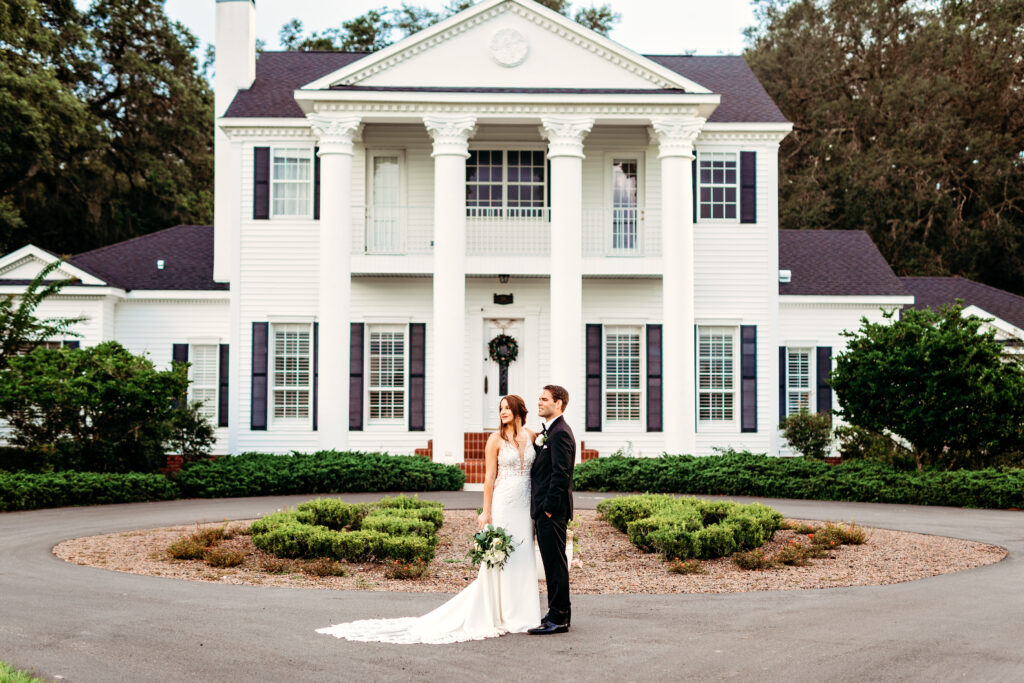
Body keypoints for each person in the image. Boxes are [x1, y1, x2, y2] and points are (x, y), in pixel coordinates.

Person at [316, 395, 540, 644]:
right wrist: (485, 512)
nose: (503, 412)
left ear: (519, 410)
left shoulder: (531, 436)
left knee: (523, 554)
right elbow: (489, 479)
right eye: (500, 409)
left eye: (507, 408)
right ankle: (502, 612)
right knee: (502, 556)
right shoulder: (495, 439)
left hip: (525, 505)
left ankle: (523, 612)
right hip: (504, 503)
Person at [528, 384, 576, 635]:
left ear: (558, 403)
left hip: (552, 511)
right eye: (539, 398)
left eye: (544, 399)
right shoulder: (550, 431)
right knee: (551, 563)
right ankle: (555, 612)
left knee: (555, 564)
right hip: (547, 510)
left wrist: (547, 508)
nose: (539, 402)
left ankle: (559, 618)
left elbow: (561, 473)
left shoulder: (560, 433)